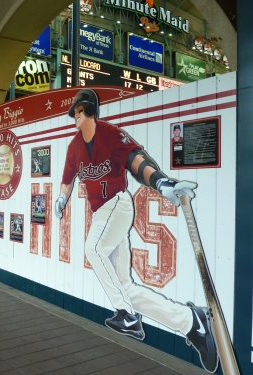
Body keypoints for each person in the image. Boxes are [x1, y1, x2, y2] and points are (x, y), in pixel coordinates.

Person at [54, 89, 218, 373]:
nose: (76, 117)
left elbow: (136, 161)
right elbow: (67, 178)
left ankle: (127, 316)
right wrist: (61, 198)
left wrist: (160, 183)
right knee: (126, 287)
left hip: (117, 204)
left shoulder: (110, 134)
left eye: (80, 111)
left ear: (91, 110)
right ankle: (191, 321)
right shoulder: (74, 147)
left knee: (93, 249)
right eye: (75, 113)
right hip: (102, 214)